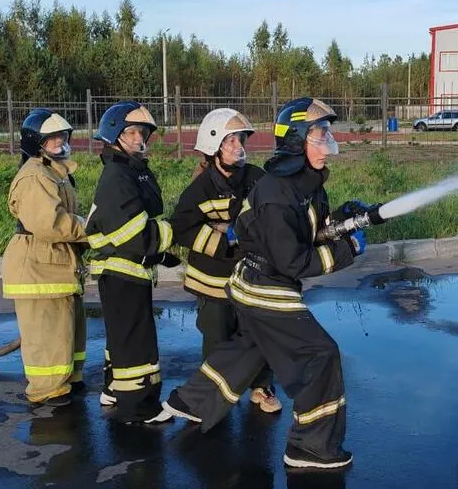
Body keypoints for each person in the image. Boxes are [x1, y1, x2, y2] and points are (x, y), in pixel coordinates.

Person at [162, 97, 369, 470]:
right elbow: (293, 260)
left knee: (252, 346)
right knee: (320, 354)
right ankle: (310, 446)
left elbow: (306, 233)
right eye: (319, 134)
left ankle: (190, 401)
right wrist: (348, 249)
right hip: (265, 286)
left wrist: (345, 219)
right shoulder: (277, 191)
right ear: (296, 140)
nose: (328, 143)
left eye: (327, 133)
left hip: (256, 281)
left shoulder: (304, 183)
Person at [169, 107, 280, 414]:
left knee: (257, 331)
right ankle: (210, 395)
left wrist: (233, 228)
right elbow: (182, 228)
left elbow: (270, 214)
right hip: (212, 279)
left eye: (240, 139)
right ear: (213, 146)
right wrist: (223, 239)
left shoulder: (257, 179)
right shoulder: (201, 188)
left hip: (251, 274)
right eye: (230, 141)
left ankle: (261, 386)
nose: (238, 147)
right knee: (217, 338)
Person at [85, 100, 180, 424]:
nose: (140, 139)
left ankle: (113, 389)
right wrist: (173, 232)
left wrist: (160, 255)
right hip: (122, 270)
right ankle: (140, 406)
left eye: (143, 133)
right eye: (132, 132)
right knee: (135, 342)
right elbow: (133, 233)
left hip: (128, 269)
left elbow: (137, 221)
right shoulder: (117, 175)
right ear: (114, 135)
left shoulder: (130, 170)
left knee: (122, 337)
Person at [1, 109, 88, 407]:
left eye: (62, 137)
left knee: (65, 332)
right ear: (35, 143)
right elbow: (50, 223)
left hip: (55, 264)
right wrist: (90, 229)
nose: (60, 144)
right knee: (48, 336)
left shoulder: (53, 172)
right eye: (51, 139)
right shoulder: (35, 175)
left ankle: (66, 382)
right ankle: (46, 393)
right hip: (39, 267)